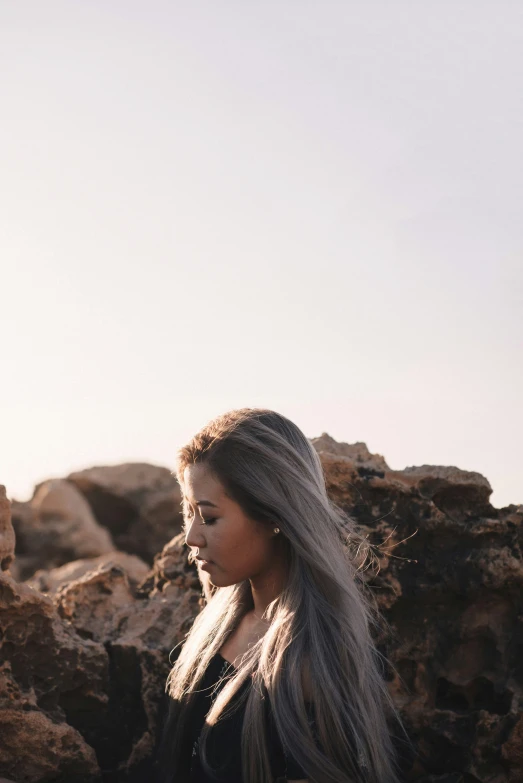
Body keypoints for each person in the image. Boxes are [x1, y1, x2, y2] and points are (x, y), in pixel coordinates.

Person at [156, 408, 406, 783]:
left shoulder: (311, 662)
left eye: (209, 517)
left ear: (274, 514)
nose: (191, 536)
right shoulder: (220, 621)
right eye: (188, 511)